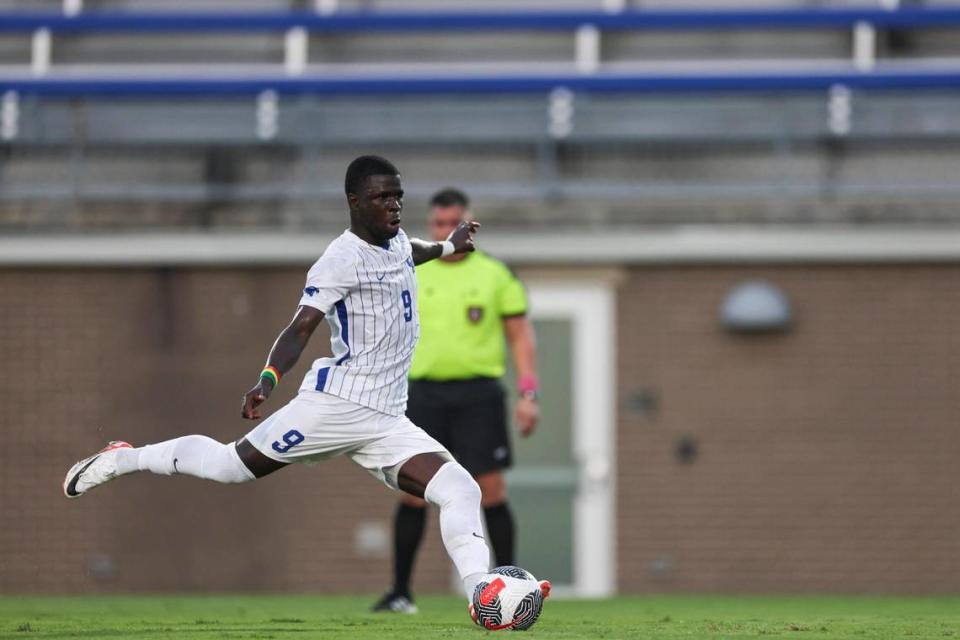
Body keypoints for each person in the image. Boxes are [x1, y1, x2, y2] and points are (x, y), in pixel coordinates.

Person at [61, 155, 549, 623]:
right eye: (382, 197)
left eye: (399, 196)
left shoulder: (398, 241)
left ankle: (482, 593)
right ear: (354, 202)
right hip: (335, 407)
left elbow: (414, 252)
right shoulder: (339, 259)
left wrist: (448, 247)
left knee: (459, 486)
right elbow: (300, 328)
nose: (394, 206)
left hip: (386, 419)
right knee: (231, 467)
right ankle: (123, 457)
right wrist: (268, 378)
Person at [372, 188, 540, 614]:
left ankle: (510, 588)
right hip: (420, 394)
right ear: (432, 227)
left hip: (478, 395)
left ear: (468, 226)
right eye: (440, 225)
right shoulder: (411, 270)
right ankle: (400, 592)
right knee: (412, 493)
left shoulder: (495, 274)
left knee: (491, 490)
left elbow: (520, 337)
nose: (447, 232)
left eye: (454, 224)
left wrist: (528, 393)